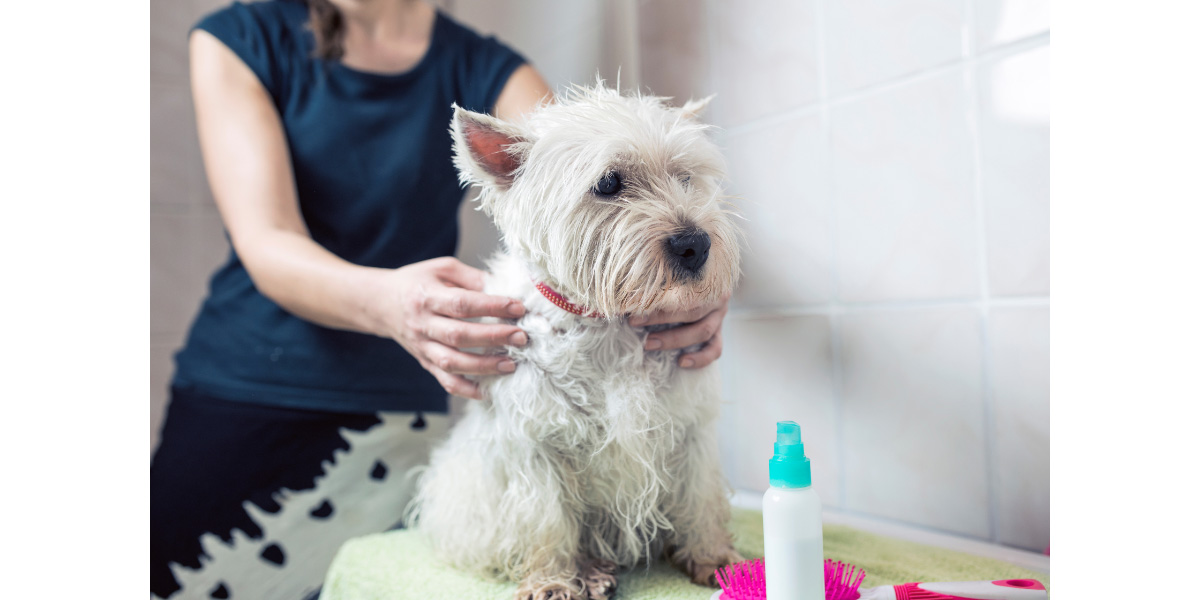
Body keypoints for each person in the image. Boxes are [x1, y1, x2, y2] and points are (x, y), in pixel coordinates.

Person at [149, 0, 731, 597]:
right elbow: (266, 238)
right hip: (247, 396)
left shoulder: (487, 67)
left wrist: (685, 276)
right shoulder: (240, 37)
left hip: (405, 411)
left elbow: (577, 186)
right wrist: (390, 303)